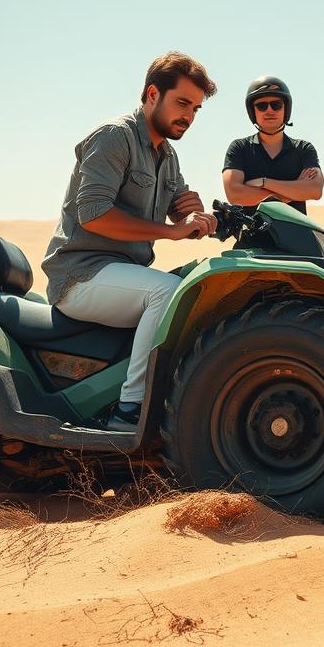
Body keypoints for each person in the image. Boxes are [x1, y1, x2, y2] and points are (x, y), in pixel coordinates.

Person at [41, 52, 219, 432]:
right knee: (167, 292)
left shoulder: (166, 156)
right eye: (182, 103)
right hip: (80, 275)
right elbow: (93, 212)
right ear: (153, 94)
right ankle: (130, 410)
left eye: (196, 109)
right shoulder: (114, 137)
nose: (188, 116)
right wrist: (170, 231)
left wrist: (189, 215)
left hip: (123, 276)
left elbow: (176, 210)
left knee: (193, 286)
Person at [222, 75, 323, 213]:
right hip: (252, 233)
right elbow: (235, 195)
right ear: (253, 112)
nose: (269, 110)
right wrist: (287, 194)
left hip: (297, 233)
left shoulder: (303, 149)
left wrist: (264, 182)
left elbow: (314, 190)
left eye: (276, 105)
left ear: (285, 109)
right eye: (261, 106)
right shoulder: (240, 148)